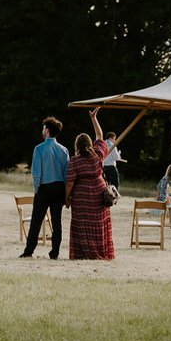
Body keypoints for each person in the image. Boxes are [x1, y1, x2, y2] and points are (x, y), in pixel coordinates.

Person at [65, 112, 115, 261]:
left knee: (82, 223)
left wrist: (66, 199)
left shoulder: (74, 161)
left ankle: (83, 253)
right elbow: (99, 136)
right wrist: (94, 118)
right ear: (89, 144)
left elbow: (69, 182)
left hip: (81, 196)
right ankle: (101, 251)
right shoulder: (98, 154)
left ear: (77, 146)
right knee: (99, 223)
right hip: (99, 193)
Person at [19, 116, 69, 259]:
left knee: (36, 221)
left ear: (46, 130)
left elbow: (36, 174)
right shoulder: (64, 150)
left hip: (44, 188)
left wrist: (36, 191)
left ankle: (29, 251)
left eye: (43, 128)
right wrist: (66, 194)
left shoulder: (39, 149)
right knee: (57, 222)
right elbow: (67, 174)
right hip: (59, 188)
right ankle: (55, 253)